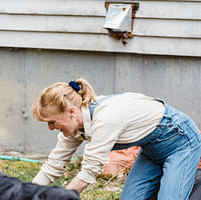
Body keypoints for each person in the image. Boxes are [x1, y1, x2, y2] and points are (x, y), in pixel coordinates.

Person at [31, 78, 201, 200]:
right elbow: (54, 164)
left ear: (71, 112)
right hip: (151, 150)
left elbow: (89, 172)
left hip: (181, 142)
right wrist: (27, 194)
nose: (51, 128)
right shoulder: (75, 125)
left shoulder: (105, 118)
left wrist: (62, 197)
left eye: (52, 122)